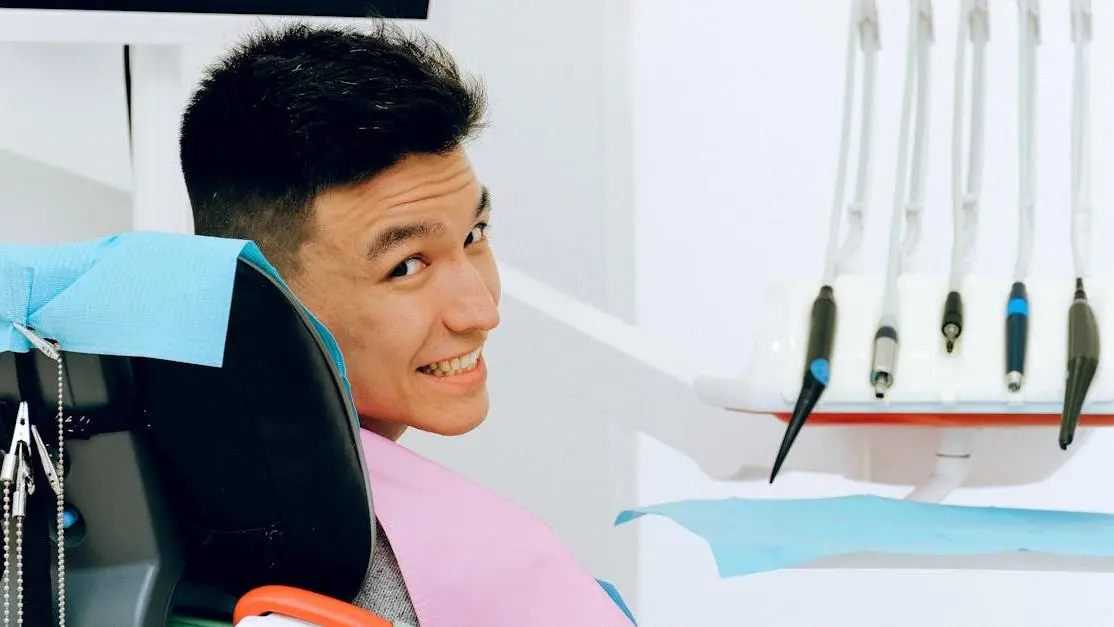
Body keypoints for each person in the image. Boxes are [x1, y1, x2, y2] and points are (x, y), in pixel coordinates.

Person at [178, 20, 634, 626]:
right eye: (407, 265)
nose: (481, 312)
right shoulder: (429, 572)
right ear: (265, 301)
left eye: (475, 235)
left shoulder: (146, 486)